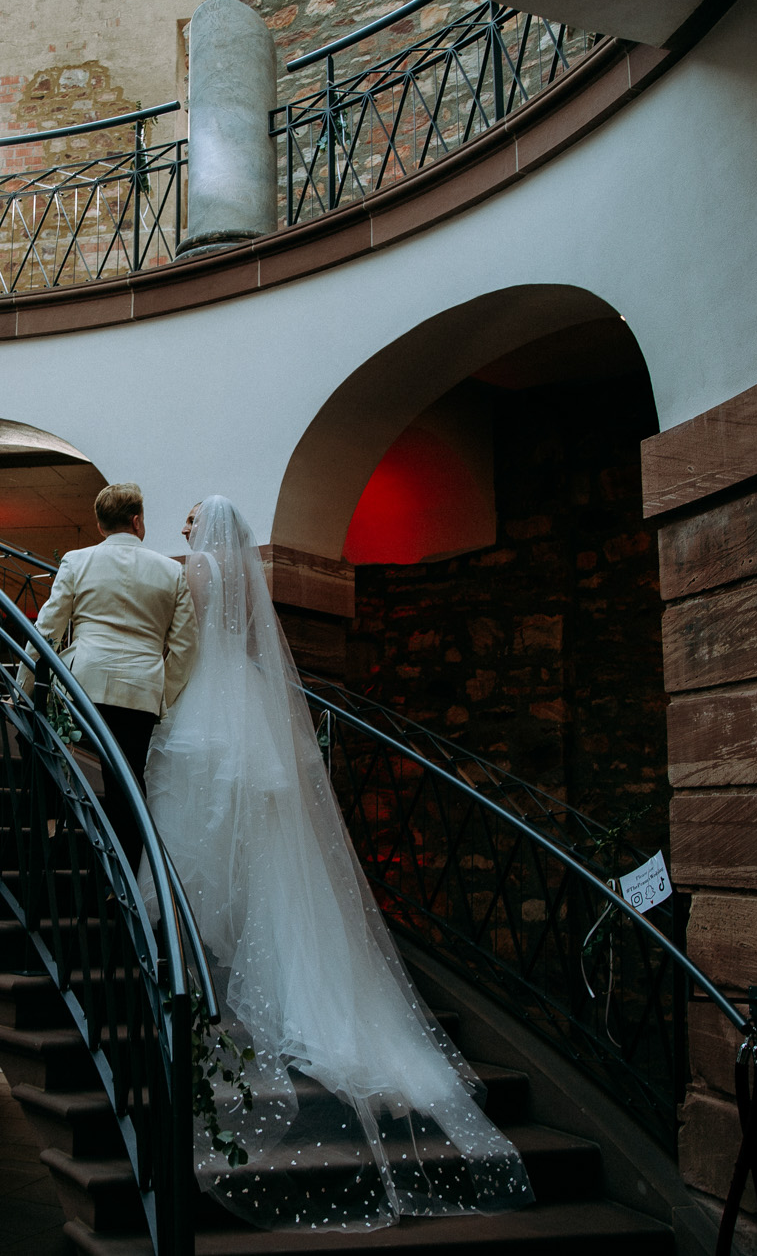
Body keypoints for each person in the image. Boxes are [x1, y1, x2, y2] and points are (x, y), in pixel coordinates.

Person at [145, 495, 534, 1231]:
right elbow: (260, 647)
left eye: (193, 514)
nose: (187, 521)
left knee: (201, 831)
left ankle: (200, 954)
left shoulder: (194, 568)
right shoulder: (249, 571)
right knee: (268, 854)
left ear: (205, 526)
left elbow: (187, 643)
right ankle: (261, 963)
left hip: (205, 701)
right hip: (251, 704)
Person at [23, 482, 196, 871]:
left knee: (43, 746)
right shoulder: (171, 572)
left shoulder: (76, 561)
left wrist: (25, 685)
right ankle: (124, 884)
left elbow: (48, 629)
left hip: (85, 686)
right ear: (137, 521)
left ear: (100, 526)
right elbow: (185, 647)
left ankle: (47, 840)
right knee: (128, 786)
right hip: (141, 692)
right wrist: (161, 693)